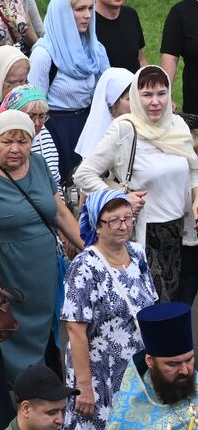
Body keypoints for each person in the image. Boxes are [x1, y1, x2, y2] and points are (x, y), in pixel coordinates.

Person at [73, 65, 198, 304]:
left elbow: (194, 169)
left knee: (180, 310)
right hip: (145, 236)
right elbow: (84, 174)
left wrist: (196, 198)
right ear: (134, 97)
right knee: (152, 312)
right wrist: (119, 198)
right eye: (147, 94)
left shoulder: (178, 126)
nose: (155, 102)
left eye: (161, 93)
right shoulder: (125, 129)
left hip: (181, 235)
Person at [0, 109, 84, 382]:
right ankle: (12, 392)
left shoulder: (38, 164)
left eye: (23, 142)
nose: (15, 149)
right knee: (9, 330)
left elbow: (58, 211)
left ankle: (38, 387)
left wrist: (88, 246)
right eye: (7, 141)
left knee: (45, 329)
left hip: (44, 269)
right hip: (10, 268)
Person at [61, 191, 155, 430]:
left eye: (127, 218)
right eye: (114, 220)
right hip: (99, 374)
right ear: (98, 225)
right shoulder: (84, 266)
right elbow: (75, 329)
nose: (124, 225)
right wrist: (84, 387)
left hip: (137, 371)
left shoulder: (138, 253)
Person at [30, 0, 110, 182]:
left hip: (89, 126)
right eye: (80, 9)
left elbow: (106, 92)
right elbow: (33, 108)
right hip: (56, 131)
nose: (88, 15)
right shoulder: (44, 55)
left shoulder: (95, 50)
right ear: (62, 14)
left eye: (90, 8)